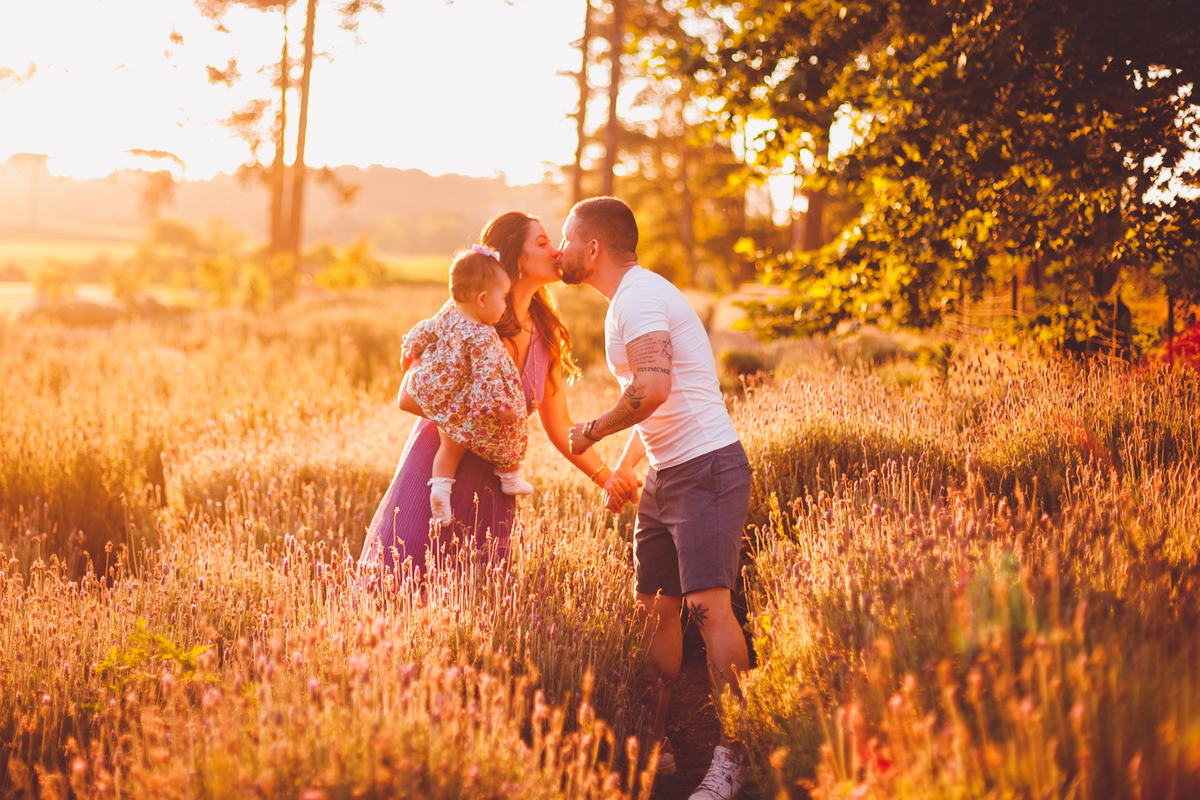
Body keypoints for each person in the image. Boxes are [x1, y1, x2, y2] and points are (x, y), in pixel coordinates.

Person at [563, 197, 752, 800]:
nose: (562, 250)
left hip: (706, 467)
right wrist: (622, 471)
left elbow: (652, 389)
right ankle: (658, 744)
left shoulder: (640, 298)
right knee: (654, 610)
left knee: (707, 608)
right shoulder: (628, 301)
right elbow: (652, 410)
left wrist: (591, 431)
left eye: (567, 239)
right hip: (667, 474)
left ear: (593, 249)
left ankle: (736, 755)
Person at [357, 211, 614, 581]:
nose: (556, 251)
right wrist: (480, 414)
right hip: (437, 473)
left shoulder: (546, 334)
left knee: (478, 602)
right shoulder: (470, 316)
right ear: (515, 257)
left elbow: (560, 426)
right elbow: (408, 396)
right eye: (541, 243)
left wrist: (605, 477)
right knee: (403, 587)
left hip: (493, 490)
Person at [397, 244, 533, 526]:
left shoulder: (448, 315)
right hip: (469, 407)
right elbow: (486, 376)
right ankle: (509, 476)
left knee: (448, 449)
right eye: (503, 298)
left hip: (438, 396)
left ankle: (440, 491)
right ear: (483, 299)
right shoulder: (481, 336)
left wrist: (410, 349)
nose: (505, 305)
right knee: (511, 429)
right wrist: (497, 407)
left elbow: (423, 329)